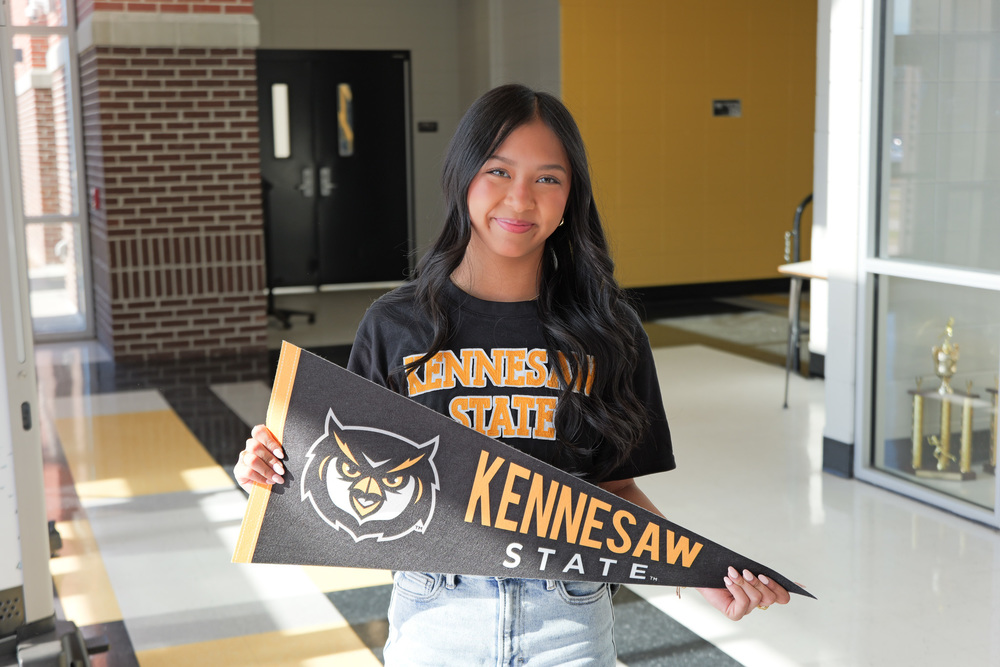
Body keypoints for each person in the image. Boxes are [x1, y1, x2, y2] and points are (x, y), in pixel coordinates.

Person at [235, 83, 790, 666]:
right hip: (435, 619)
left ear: (571, 196)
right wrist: (269, 470)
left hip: (570, 623)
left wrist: (701, 574)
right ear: (463, 176)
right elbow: (345, 468)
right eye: (499, 171)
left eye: (548, 178)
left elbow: (615, 492)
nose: (520, 199)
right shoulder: (396, 324)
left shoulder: (608, 330)